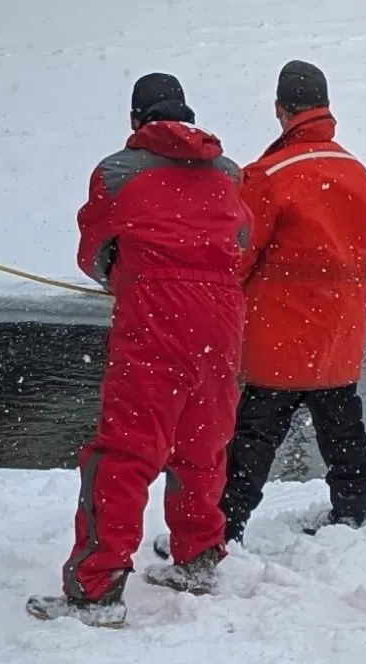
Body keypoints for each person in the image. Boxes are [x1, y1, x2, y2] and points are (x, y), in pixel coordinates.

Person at [30, 74, 247, 620]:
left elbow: (93, 248)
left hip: (156, 310)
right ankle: (198, 557)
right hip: (222, 316)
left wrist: (127, 276)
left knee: (125, 450)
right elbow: (241, 240)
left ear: (135, 120)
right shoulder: (229, 172)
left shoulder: (117, 170)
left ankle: (97, 586)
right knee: (203, 442)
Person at [223, 59, 366, 541]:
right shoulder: (357, 170)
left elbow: (241, 255)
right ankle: (352, 509)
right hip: (340, 327)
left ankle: (223, 527)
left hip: (281, 330)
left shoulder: (267, 175)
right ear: (325, 105)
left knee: (254, 434)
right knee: (341, 421)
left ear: (280, 108)